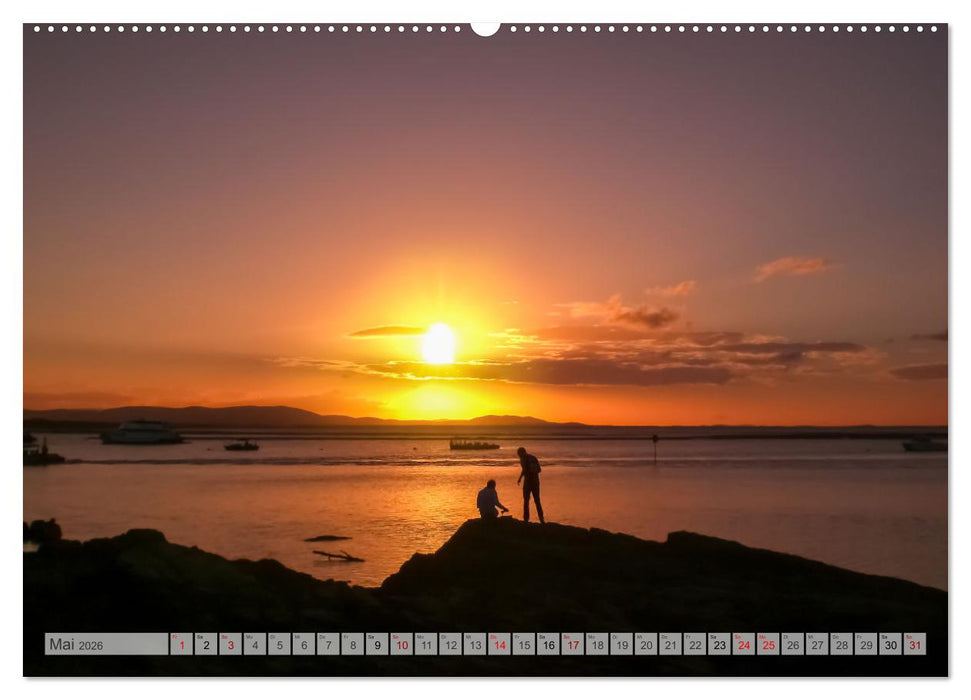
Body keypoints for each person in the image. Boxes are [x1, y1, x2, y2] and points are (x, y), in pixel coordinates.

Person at [517, 446, 545, 523]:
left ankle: (526, 519)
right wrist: (520, 478)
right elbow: (539, 470)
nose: (519, 456)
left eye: (519, 454)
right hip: (536, 482)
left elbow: (525, 470)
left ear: (521, 453)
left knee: (526, 501)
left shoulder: (523, 459)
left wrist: (521, 478)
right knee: (537, 500)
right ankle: (541, 519)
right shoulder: (533, 457)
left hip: (528, 482)